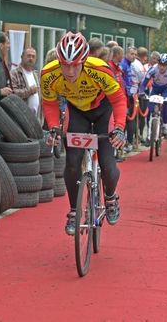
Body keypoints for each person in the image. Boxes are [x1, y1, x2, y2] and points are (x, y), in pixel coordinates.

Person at [40, 31, 126, 236]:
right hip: (77, 112)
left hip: (103, 110)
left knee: (107, 164)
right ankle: (73, 210)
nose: (69, 70)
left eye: (75, 65)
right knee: (72, 163)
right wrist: (53, 127)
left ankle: (111, 197)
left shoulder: (99, 69)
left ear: (84, 61)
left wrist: (120, 128)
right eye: (65, 64)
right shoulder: (48, 73)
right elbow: (50, 102)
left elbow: (119, 100)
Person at [141, 53, 167, 136]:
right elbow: (144, 83)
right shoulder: (152, 69)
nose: (162, 67)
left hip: (166, 89)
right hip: (155, 88)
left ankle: (165, 126)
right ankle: (150, 131)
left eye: (164, 65)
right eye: (160, 64)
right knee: (150, 105)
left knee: (166, 103)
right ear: (158, 63)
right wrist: (141, 92)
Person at [10, 47, 40, 116]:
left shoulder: (36, 75)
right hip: (21, 117)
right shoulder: (14, 73)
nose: (31, 58)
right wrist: (29, 91)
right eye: (28, 56)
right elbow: (12, 94)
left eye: (33, 56)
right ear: (22, 57)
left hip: (35, 118)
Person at [0, 32, 12, 99]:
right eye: (7, 43)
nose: (9, 46)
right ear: (1, 46)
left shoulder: (1, 62)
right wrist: (0, 92)